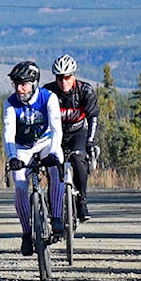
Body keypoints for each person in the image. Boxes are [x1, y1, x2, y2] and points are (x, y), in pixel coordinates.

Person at [2, 61, 65, 256]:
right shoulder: (10, 103)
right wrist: (12, 157)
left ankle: (56, 217)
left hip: (46, 142)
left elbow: (56, 128)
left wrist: (54, 153)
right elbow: (8, 133)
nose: (19, 89)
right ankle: (26, 232)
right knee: (20, 186)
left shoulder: (48, 98)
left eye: (24, 84)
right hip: (22, 147)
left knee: (57, 170)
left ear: (34, 83)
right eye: (16, 84)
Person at [42, 54, 98, 223]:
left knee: (79, 159)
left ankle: (82, 201)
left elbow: (93, 117)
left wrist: (90, 142)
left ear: (73, 76)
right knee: (53, 168)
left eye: (67, 77)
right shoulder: (48, 91)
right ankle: (55, 209)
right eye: (60, 78)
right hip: (56, 135)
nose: (63, 82)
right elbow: (41, 119)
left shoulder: (85, 91)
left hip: (77, 133)